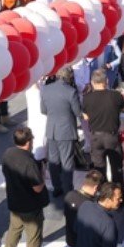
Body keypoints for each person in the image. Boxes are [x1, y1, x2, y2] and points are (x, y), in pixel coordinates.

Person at [38, 72, 84, 200]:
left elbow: (43, 110)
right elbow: (77, 112)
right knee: (67, 161)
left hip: (51, 129)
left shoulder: (46, 89)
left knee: (53, 160)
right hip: (66, 131)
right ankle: (68, 189)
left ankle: (56, 187)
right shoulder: (71, 91)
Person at [81, 68, 124, 192]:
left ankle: (102, 192)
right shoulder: (116, 96)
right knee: (116, 167)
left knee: (99, 168)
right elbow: (123, 108)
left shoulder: (87, 98)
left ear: (92, 82)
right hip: (111, 137)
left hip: (95, 137)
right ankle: (119, 192)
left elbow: (85, 116)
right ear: (106, 81)